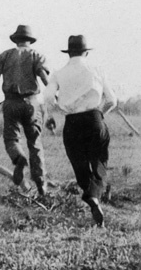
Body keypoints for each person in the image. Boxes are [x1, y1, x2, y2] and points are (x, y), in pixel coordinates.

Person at [45, 35, 117, 227]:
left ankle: (90, 195)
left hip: (72, 122)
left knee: (79, 165)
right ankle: (93, 195)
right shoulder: (96, 70)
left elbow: (48, 97)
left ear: (69, 53)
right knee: (99, 162)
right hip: (94, 118)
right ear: (86, 52)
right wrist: (100, 114)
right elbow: (112, 100)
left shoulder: (59, 73)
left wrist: (60, 109)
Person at [0, 24, 50, 196]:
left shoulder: (5, 55)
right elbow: (45, 79)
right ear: (29, 40)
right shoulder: (36, 55)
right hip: (31, 103)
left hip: (11, 102)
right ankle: (41, 187)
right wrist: (54, 96)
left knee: (11, 139)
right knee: (35, 144)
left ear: (16, 40)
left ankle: (18, 158)